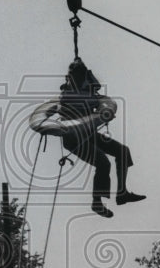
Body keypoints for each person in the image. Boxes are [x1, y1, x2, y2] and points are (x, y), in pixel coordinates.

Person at [55, 57, 145, 219]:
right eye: (76, 77)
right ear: (71, 78)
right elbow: (67, 111)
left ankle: (122, 193)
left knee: (122, 151)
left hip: (89, 133)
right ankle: (96, 202)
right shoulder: (66, 95)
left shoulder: (89, 92)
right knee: (103, 162)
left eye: (82, 77)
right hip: (74, 137)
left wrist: (104, 113)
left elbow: (98, 94)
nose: (80, 80)